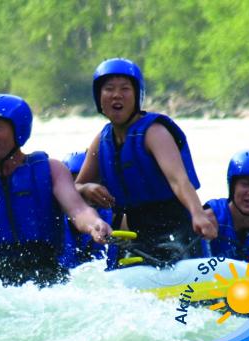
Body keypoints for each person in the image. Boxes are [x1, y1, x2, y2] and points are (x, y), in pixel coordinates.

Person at [0, 94, 111, 287]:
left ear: (18, 130)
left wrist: (94, 224)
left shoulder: (52, 170)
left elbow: (78, 210)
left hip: (45, 278)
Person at [75, 58, 216, 264]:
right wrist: (87, 188)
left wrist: (198, 214)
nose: (116, 95)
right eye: (109, 89)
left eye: (125, 88)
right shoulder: (102, 140)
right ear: (99, 97)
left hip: (175, 226)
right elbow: (76, 188)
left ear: (136, 95)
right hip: (134, 232)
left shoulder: (154, 132)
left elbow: (179, 180)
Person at [59, 151, 113, 267]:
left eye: (93, 181)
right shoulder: (52, 221)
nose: (89, 193)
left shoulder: (115, 218)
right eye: (72, 183)